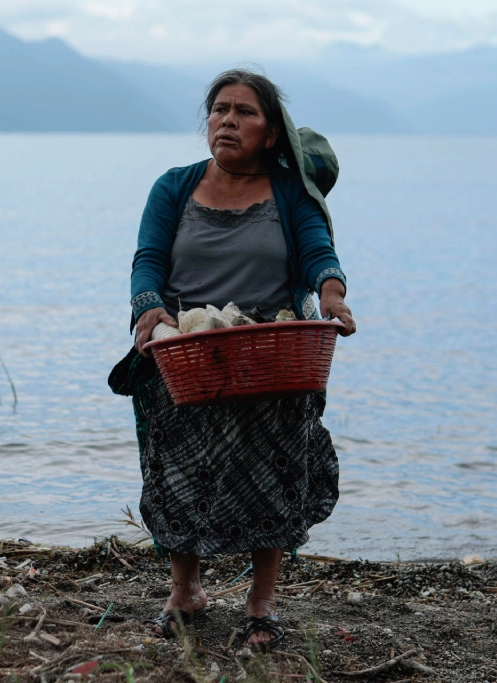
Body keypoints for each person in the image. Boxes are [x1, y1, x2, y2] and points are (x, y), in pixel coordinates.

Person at [120, 69, 356, 649]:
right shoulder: (173, 186)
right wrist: (150, 311)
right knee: (177, 472)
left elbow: (318, 253)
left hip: (267, 352)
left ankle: (261, 603)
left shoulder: (289, 193)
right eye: (219, 109)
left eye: (244, 112)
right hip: (185, 349)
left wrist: (332, 294)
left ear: (272, 133)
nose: (227, 119)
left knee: (270, 472)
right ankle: (185, 591)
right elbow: (148, 260)